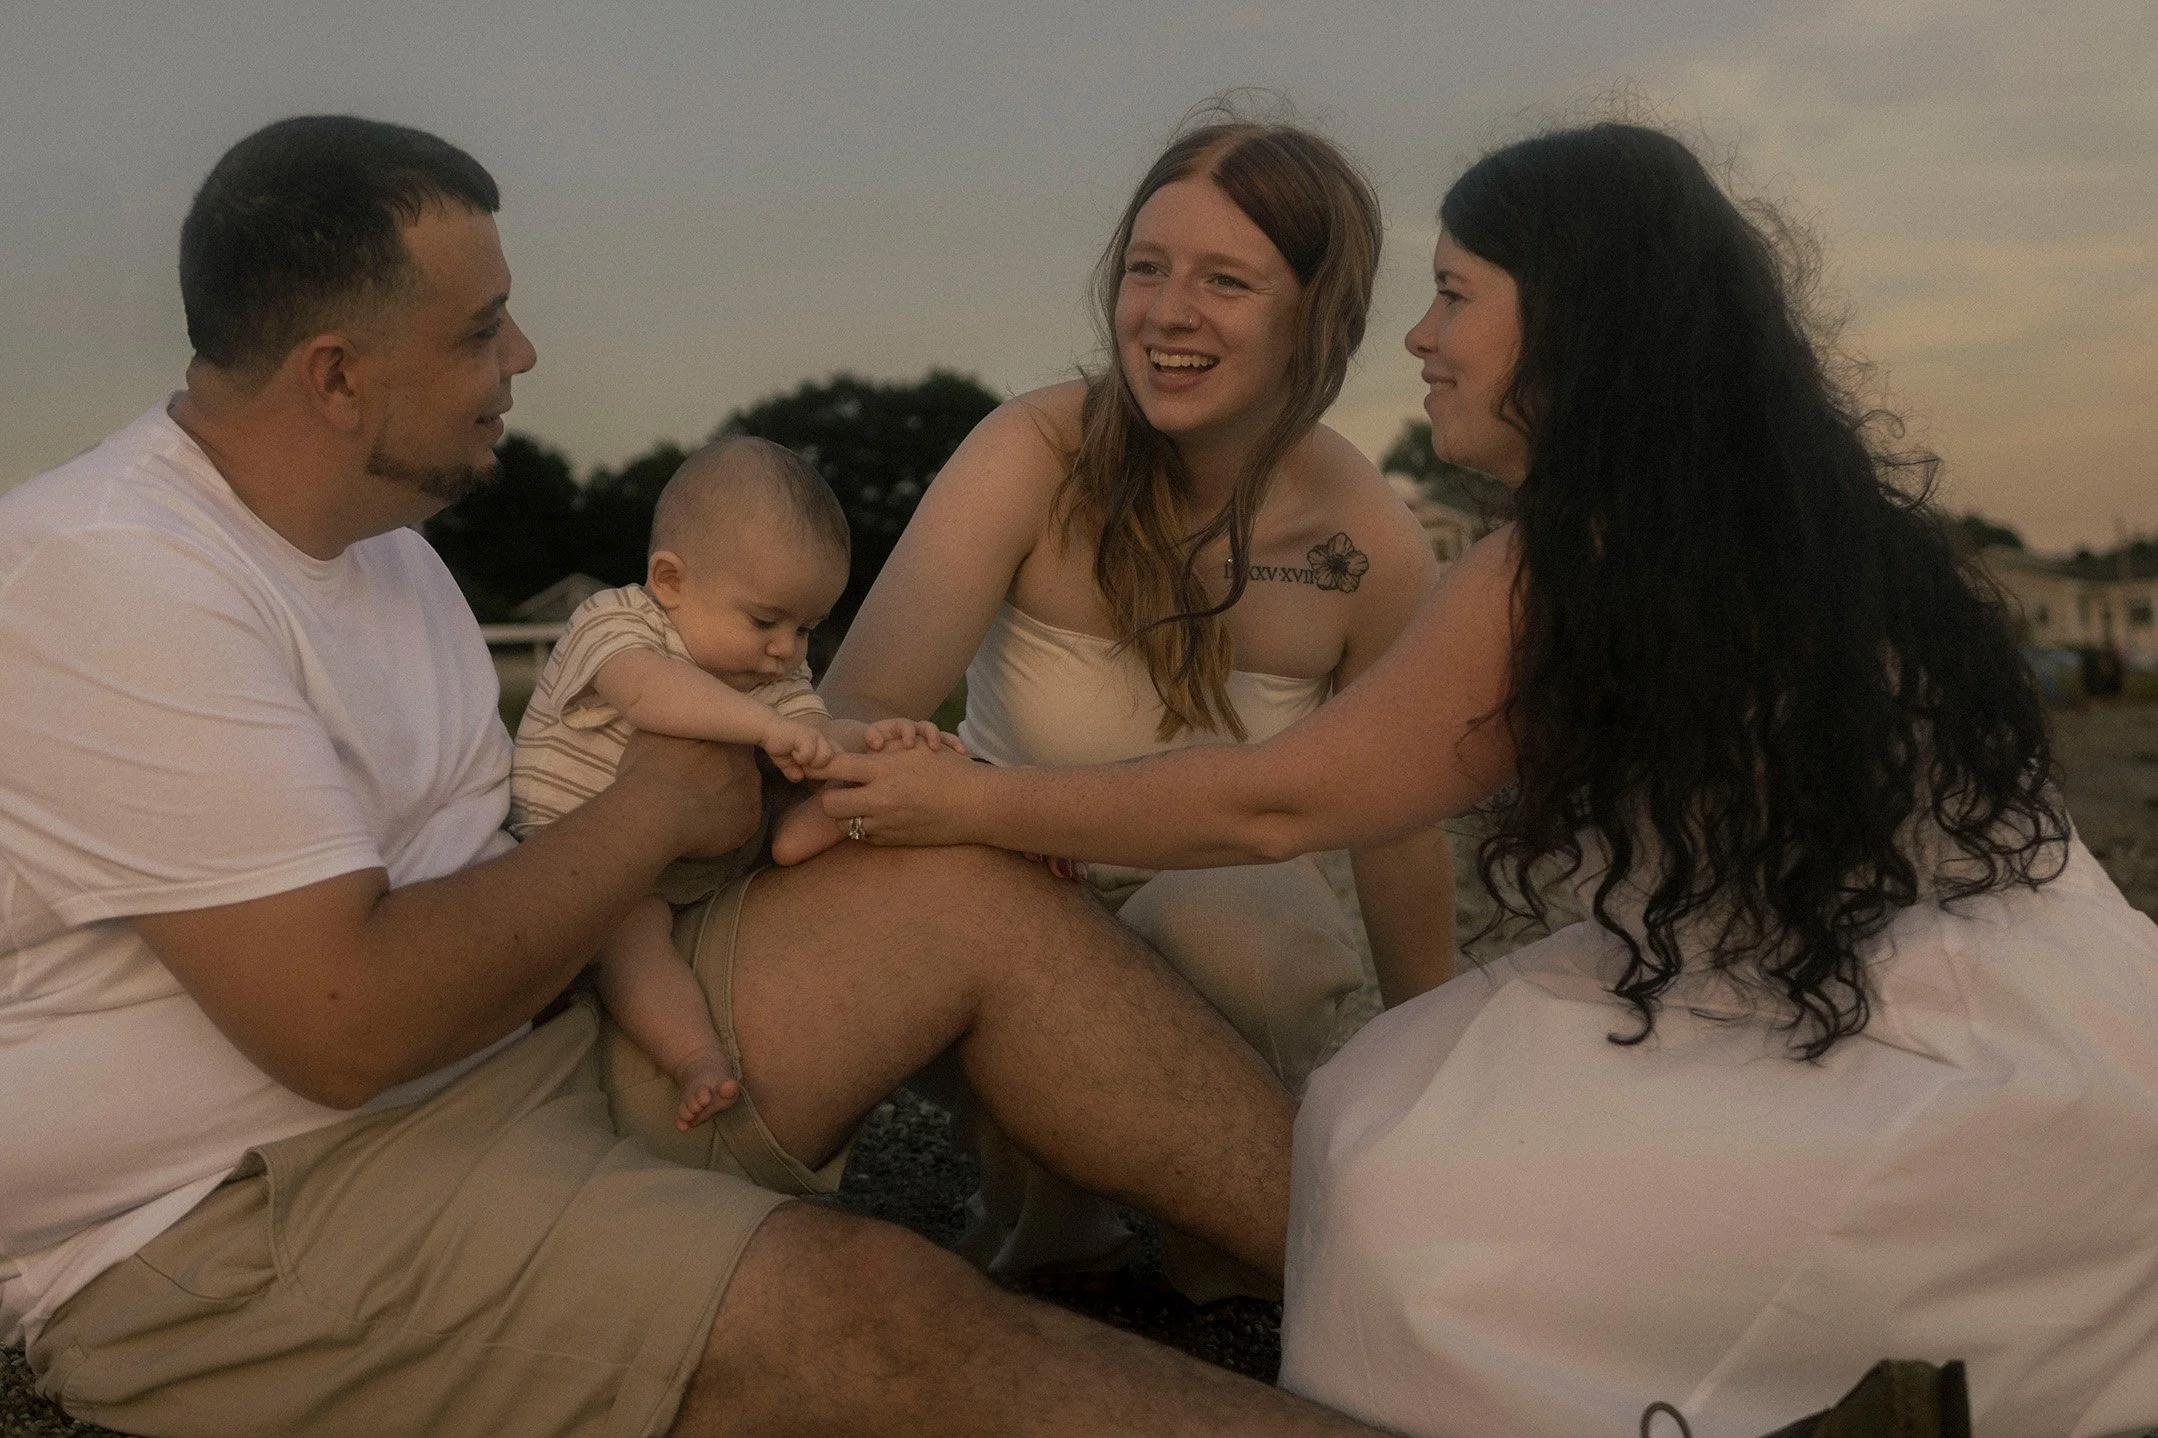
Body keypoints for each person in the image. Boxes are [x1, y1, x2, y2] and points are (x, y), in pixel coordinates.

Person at [0, 114, 1388, 1438]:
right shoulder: (111, 575)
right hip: (246, 1219)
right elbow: (343, 1024)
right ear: (334, 374)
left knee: (959, 884)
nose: (524, 353)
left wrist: (813, 783)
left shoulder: (386, 549)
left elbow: (517, 865)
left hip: (515, 1060)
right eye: (481, 328)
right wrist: (657, 803)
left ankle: (1423, 1295)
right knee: (872, 1311)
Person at [818, 121, 2158, 1437]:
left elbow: (1286, 800)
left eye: (1455, 294)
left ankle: (1771, 1385)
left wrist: (972, 800)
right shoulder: (1804, 523)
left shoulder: (1552, 567)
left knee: (1394, 1190)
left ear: (1570, 322)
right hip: (2047, 1015)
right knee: (1378, 1112)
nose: (1422, 336)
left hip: (1911, 1046)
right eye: (1148, 267)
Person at [819, 112, 1456, 1286]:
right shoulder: (1031, 451)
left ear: (1316, 315)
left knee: (1247, 921)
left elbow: (1398, 829)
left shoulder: (1363, 541)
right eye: (1147, 269)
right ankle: (1048, 1215)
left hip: (1223, 925)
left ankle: (1232, 1243)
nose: (1167, 313)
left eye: (1225, 279)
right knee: (892, 877)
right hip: (1014, 893)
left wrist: (1445, 1070)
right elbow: (855, 705)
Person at [508, 436, 961, 1130]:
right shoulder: (616, 622)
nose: (787, 649)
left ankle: (820, 827)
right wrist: (761, 726)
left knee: (812, 787)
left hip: (701, 860)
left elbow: (814, 735)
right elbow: (648, 694)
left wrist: (876, 744)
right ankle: (694, 1057)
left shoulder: (768, 672)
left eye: (807, 628)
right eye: (765, 620)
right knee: (632, 942)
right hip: (590, 863)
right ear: (671, 582)